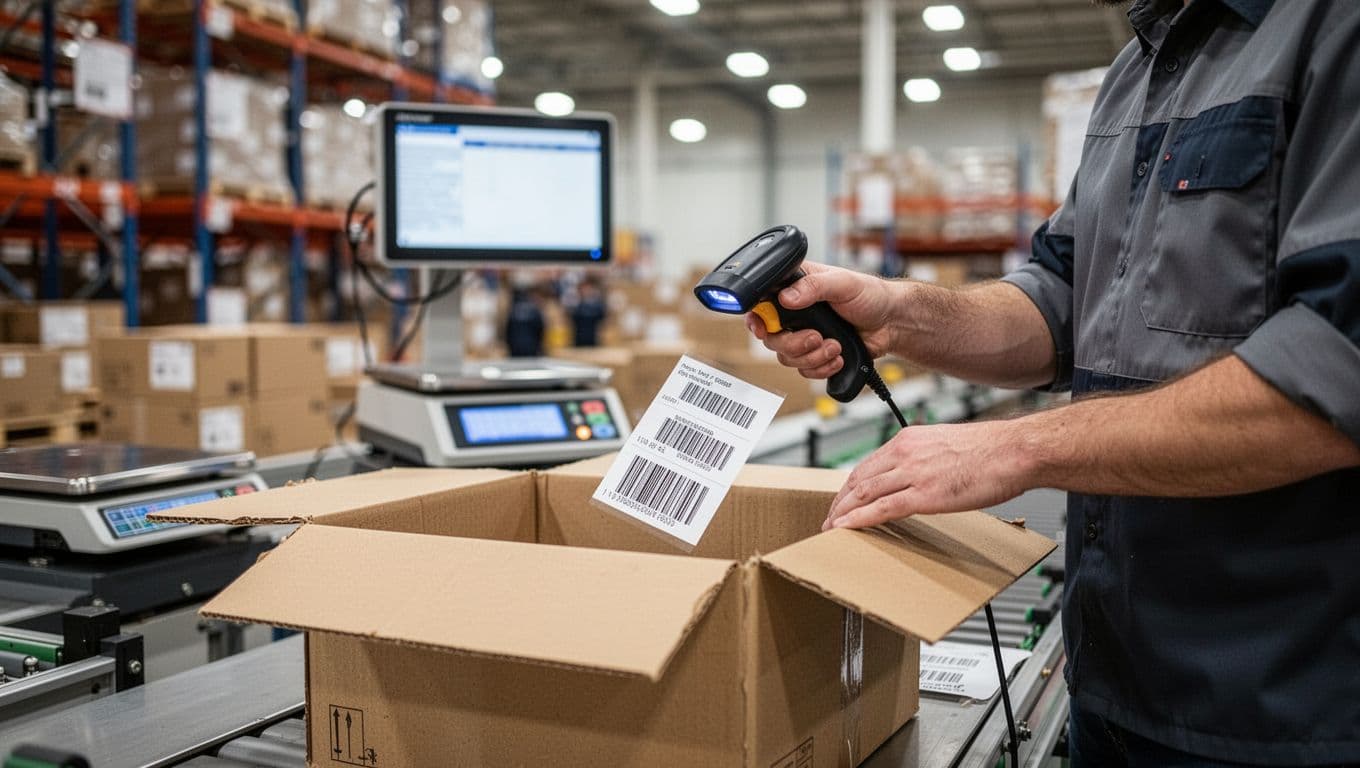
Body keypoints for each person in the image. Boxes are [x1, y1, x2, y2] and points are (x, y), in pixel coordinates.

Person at [749, 0, 1360, 764]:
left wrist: (1015, 447)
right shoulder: (1137, 68)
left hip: (1284, 704)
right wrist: (898, 314)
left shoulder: (1330, 28)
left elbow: (1336, 373)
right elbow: (1063, 299)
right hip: (1114, 675)